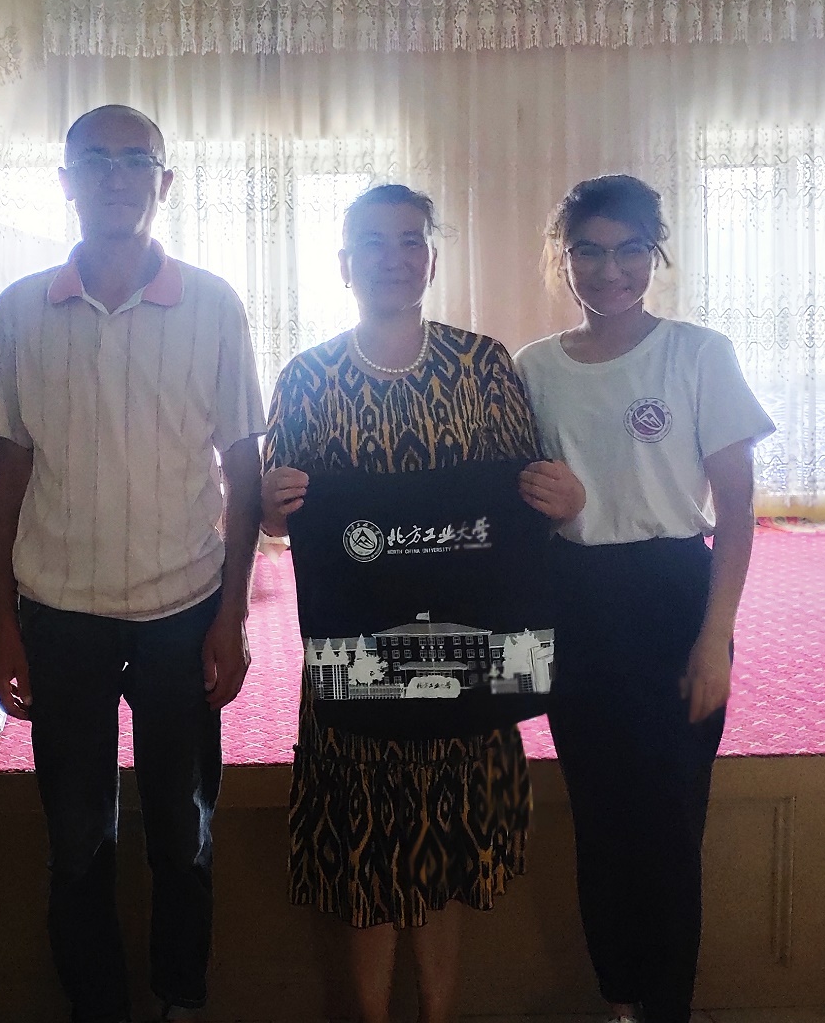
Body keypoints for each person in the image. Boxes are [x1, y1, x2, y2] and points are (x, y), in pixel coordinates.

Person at [261, 184, 583, 1023]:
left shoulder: (483, 366)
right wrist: (271, 506)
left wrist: (563, 499)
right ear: (344, 264)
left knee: (445, 850)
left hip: (466, 652)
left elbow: (519, 506)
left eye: (410, 241)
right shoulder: (307, 378)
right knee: (365, 853)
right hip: (356, 659)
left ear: (431, 260)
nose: (393, 258)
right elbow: (278, 521)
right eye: (372, 242)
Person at [0, 104, 264, 1023]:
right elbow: (5, 470)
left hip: (184, 607)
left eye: (135, 161)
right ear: (65, 181)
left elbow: (244, 471)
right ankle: (95, 1005)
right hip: (61, 613)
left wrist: (232, 614)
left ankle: (182, 998)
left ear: (164, 181)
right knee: (76, 838)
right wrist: (5, 623)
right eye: (94, 161)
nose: (114, 177)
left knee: (184, 830)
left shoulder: (213, 304)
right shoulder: (21, 309)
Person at [514, 174, 776, 1023]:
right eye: (588, 251)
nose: (609, 269)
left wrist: (715, 637)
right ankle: (619, 1001)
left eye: (629, 249)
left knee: (668, 826)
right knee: (600, 819)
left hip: (672, 598)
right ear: (564, 258)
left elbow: (736, 508)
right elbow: (510, 497)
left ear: (655, 254)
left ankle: (666, 1008)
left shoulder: (698, 354)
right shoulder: (534, 368)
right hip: (576, 603)